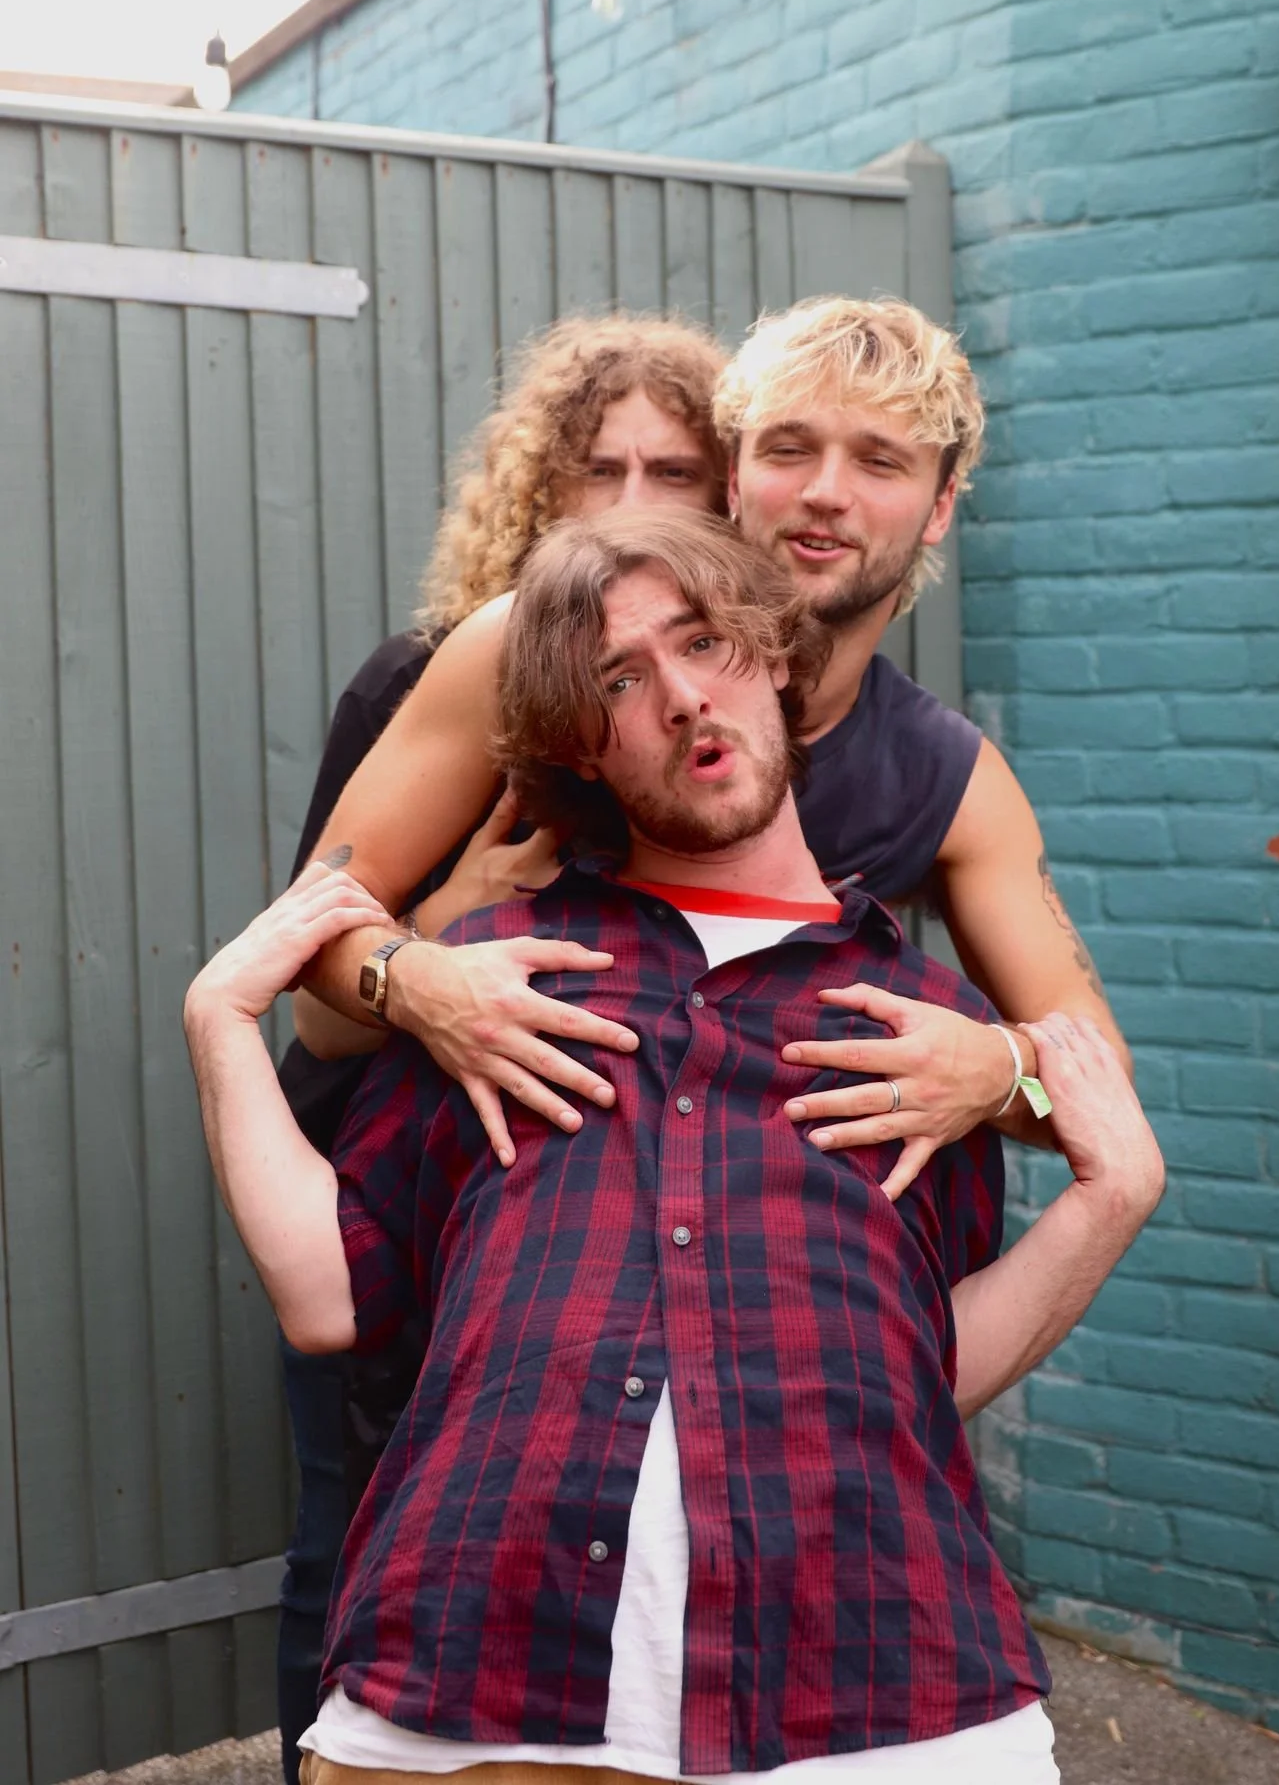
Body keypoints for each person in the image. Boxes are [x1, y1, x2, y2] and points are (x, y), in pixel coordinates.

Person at [185, 511, 1165, 1785]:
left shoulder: (926, 1033)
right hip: (468, 1689)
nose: (683, 696)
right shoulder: (499, 986)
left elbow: (932, 1366)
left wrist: (1107, 1192)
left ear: (771, 659)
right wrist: (221, 1016)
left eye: (703, 642)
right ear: (581, 745)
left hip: (878, 1700)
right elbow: (327, 1294)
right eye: (618, 680)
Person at [294, 296, 1127, 1190]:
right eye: (789, 449)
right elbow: (305, 954)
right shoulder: (517, 646)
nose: (825, 491)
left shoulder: (949, 781)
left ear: (939, 506)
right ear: (734, 480)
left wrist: (999, 1074)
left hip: (737, 1265)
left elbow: (1097, 1093)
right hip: (424, 1225)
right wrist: (422, 978)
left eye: (880, 461)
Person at [273, 314, 730, 1784]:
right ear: (538, 493)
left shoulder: (722, 708)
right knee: (361, 1548)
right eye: (599, 470)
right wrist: (444, 930)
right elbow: (308, 998)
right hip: (393, 1198)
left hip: (603, 1234)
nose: (635, 502)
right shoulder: (425, 679)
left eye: (676, 469)